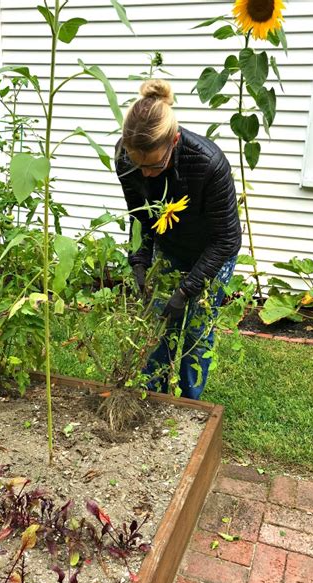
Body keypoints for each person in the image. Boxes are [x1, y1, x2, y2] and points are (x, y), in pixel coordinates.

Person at [115, 79, 242, 399]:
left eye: (154, 165)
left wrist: (186, 291)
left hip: (212, 250)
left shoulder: (208, 163)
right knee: (158, 325)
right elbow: (141, 216)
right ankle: (150, 397)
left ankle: (189, 407)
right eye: (137, 164)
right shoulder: (127, 158)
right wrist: (140, 262)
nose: (144, 174)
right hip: (170, 245)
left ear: (174, 140)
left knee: (197, 331)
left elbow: (227, 239)